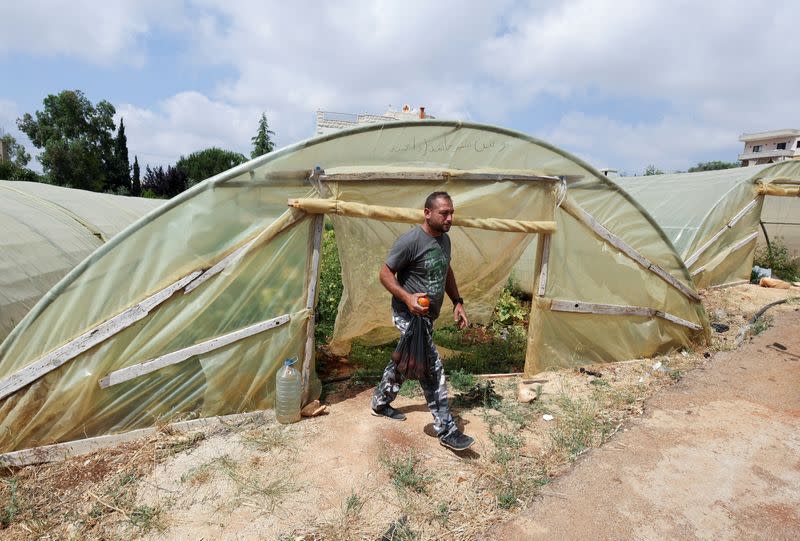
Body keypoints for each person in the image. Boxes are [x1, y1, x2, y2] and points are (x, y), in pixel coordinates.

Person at [371, 191, 475, 451]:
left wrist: (457, 301)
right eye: (444, 213)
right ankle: (446, 429)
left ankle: (380, 403)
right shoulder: (411, 241)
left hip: (427, 316)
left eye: (451, 212)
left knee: (406, 359)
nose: (450, 217)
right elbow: (384, 274)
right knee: (430, 366)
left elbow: (446, 269)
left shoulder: (445, 240)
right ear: (427, 213)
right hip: (409, 314)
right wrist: (407, 298)